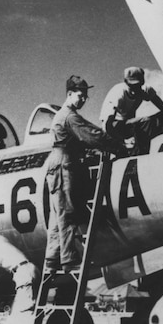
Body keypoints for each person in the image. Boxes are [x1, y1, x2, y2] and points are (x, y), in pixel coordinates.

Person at [44, 75, 119, 272]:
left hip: (58, 162)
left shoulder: (63, 115)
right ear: (70, 94)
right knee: (68, 212)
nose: (84, 99)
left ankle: (52, 259)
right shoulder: (69, 116)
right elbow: (93, 135)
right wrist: (118, 147)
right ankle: (69, 259)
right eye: (80, 95)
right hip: (64, 163)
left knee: (57, 215)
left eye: (86, 96)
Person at [101, 66, 163, 156]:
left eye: (137, 86)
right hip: (114, 128)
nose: (134, 91)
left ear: (142, 83)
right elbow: (107, 125)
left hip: (134, 127)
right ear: (125, 82)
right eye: (131, 86)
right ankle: (135, 153)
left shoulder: (144, 90)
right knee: (143, 122)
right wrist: (122, 140)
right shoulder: (118, 93)